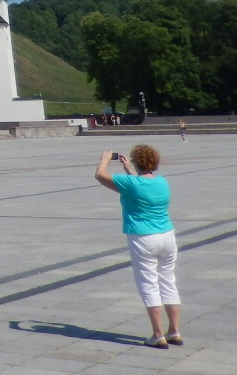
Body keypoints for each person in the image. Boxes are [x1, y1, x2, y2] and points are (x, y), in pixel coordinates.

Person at [96, 145, 182, 348]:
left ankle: (158, 334)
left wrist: (105, 159)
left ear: (136, 162)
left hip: (143, 237)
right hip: (167, 236)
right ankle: (174, 331)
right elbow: (143, 183)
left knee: (149, 284)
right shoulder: (162, 182)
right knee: (168, 282)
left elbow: (100, 176)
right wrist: (129, 170)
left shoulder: (130, 184)